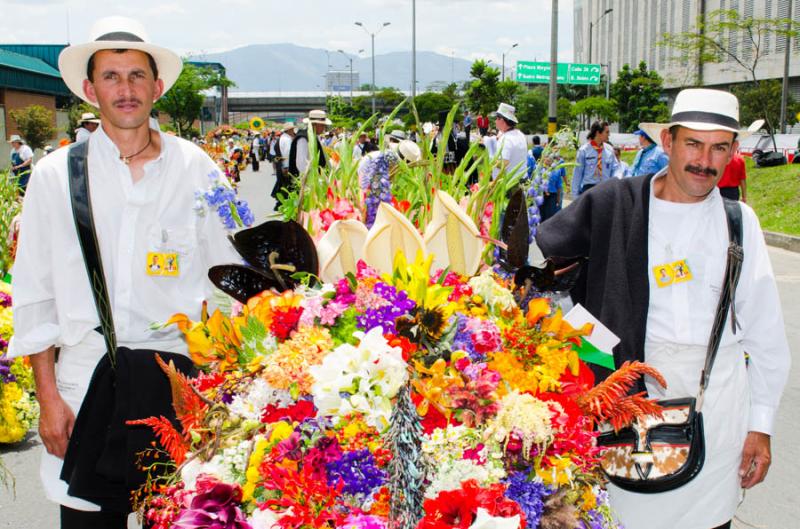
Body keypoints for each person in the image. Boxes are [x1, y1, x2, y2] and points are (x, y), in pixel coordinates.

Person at [9, 16, 240, 528]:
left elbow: (237, 271)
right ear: (90, 90)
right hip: (84, 385)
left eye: (137, 75)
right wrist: (47, 398)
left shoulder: (198, 169)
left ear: (157, 87)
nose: (125, 89)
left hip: (178, 389)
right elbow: (35, 295)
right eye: (111, 76)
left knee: (180, 517)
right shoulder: (55, 176)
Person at [529, 88, 790, 529]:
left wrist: (760, 426)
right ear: (668, 142)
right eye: (693, 143)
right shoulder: (614, 204)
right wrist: (590, 342)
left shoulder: (739, 222)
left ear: (732, 152)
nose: (705, 160)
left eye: (719, 147)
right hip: (626, 406)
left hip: (718, 409)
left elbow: (765, 335)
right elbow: (535, 270)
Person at [571, 120, 618, 196]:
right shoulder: (584, 151)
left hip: (605, 189)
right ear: (598, 133)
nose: (609, 135)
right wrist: (575, 197)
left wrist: (615, 181)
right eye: (606, 132)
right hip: (589, 190)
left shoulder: (609, 150)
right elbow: (577, 174)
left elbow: (616, 168)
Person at [288, 109, 329, 180]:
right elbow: (301, 164)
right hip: (308, 181)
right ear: (314, 125)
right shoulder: (303, 139)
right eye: (322, 125)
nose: (324, 128)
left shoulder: (314, 136)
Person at [494, 103, 527, 178]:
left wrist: (489, 160)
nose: (495, 121)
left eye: (496, 118)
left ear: (502, 120)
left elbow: (503, 164)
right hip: (522, 179)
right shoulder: (520, 134)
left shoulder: (506, 139)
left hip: (511, 184)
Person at [536, 153, 565, 222]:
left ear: (552, 161)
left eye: (549, 161)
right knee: (541, 214)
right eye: (546, 160)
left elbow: (559, 186)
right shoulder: (539, 170)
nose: (547, 162)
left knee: (550, 215)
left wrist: (558, 199)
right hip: (541, 195)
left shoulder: (557, 171)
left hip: (552, 195)